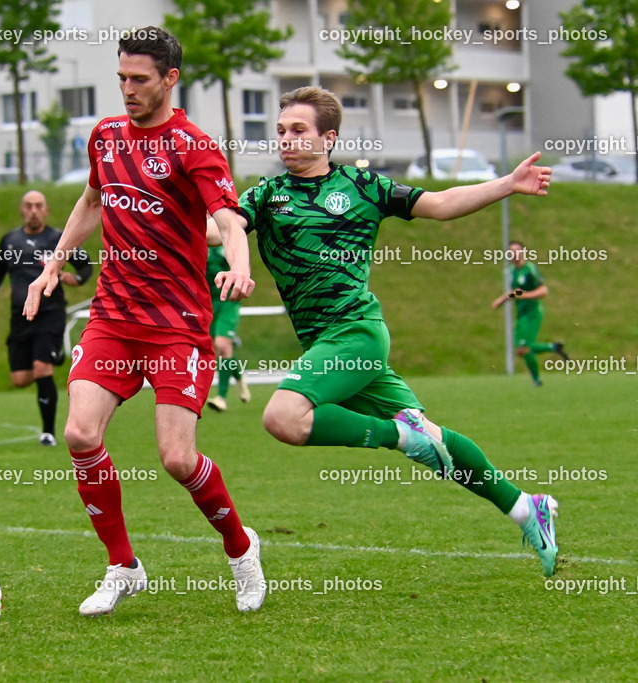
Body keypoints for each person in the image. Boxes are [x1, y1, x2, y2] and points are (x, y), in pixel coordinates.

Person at [217, 85, 559, 577]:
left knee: (283, 417)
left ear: (328, 137)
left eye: (298, 130)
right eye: (280, 131)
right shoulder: (266, 196)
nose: (286, 140)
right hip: (325, 344)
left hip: (356, 332)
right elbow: (220, 229)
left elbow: (440, 203)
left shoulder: (363, 186)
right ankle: (527, 507)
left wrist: (506, 183)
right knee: (435, 441)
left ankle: (397, 436)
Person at [24, 27, 265, 615]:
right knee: (81, 434)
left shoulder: (193, 145)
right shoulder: (105, 137)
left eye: (140, 80)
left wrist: (237, 264)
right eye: (122, 79)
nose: (128, 90)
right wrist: (52, 265)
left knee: (177, 459)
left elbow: (229, 219)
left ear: (170, 79)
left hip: (177, 324)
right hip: (113, 316)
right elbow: (90, 200)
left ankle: (241, 549)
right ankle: (122, 565)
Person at [0, 190, 92, 447]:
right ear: (22, 210)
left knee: (42, 369)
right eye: (28, 206)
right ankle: (54, 357)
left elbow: (85, 266)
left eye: (38, 205)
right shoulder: (10, 240)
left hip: (50, 314)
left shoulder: (58, 239)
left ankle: (48, 432)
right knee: (20, 380)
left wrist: (76, 279)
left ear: (46, 210)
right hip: (20, 317)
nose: (33, 210)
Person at [491, 240, 568, 387]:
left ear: (522, 252)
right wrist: (502, 300)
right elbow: (517, 291)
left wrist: (525, 296)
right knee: (520, 350)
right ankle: (553, 347)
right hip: (521, 314)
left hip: (532, 313)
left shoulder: (529, 269)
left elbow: (543, 291)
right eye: (510, 251)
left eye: (515, 250)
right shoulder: (513, 271)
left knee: (524, 349)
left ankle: (537, 381)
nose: (513, 254)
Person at [205, 245, 251, 412]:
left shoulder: (226, 237)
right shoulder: (193, 237)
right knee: (216, 349)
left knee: (223, 345)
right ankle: (239, 377)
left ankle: (221, 397)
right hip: (207, 302)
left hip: (229, 301)